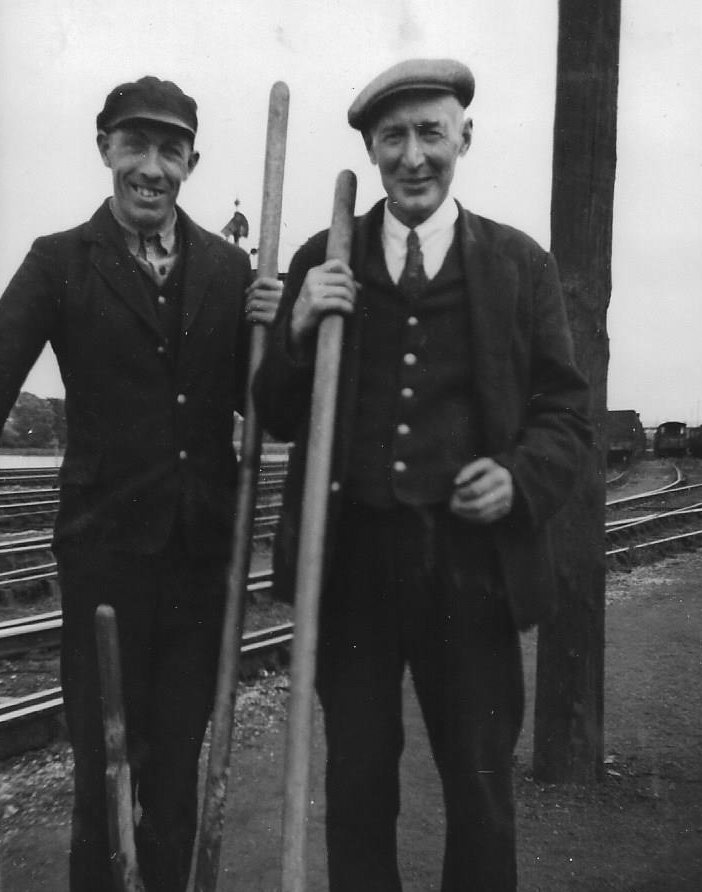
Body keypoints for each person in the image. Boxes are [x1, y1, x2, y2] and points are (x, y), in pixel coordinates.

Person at [253, 58, 591, 891]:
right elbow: (277, 412)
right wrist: (297, 328)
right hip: (352, 569)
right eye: (393, 137)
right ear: (371, 149)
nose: (413, 156)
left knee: (480, 787)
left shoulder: (519, 265)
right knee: (358, 782)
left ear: (463, 138)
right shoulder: (323, 257)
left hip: (473, 571)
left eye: (430, 134)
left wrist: (518, 478)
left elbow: (565, 414)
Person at [0, 76, 281, 892]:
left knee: (177, 773)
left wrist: (283, 327)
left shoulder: (229, 269)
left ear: (192, 162)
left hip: (199, 563)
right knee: (106, 773)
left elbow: (271, 406)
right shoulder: (59, 261)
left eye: (170, 150)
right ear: (105, 150)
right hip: (106, 565)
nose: (151, 168)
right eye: (135, 146)